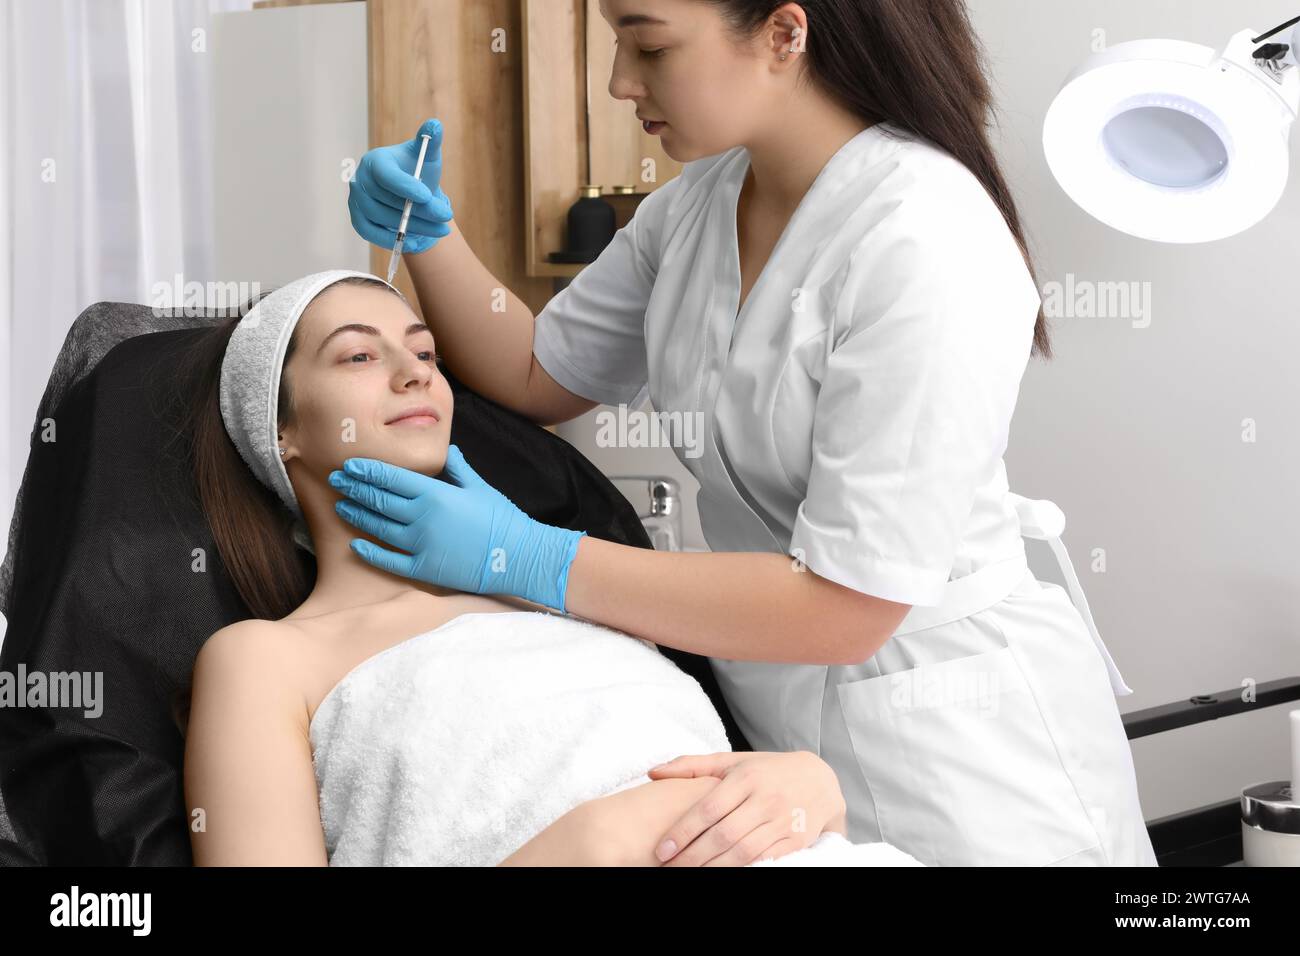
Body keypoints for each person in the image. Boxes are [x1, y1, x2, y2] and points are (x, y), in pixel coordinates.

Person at [341, 0, 1158, 865]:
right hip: (777, 742)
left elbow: (847, 605)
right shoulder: (694, 208)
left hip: (964, 750)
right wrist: (427, 237)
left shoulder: (926, 235)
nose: (621, 81)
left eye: (648, 45)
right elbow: (540, 372)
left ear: (784, 32)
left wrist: (527, 555)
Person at [181, 271, 924, 867]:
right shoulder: (265, 660)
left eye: (427, 353)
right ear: (278, 428)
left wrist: (811, 787)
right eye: (359, 355)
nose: (415, 374)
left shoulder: (558, 590)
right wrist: (589, 846)